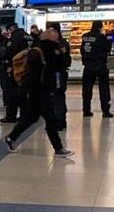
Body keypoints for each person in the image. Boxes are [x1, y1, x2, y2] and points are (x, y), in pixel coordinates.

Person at [4, 28, 73, 158]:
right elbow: (31, 77)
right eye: (56, 38)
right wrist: (22, 94)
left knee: (30, 118)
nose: (58, 41)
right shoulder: (37, 53)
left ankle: (11, 138)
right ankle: (58, 148)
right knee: (50, 120)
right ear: (49, 39)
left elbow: (62, 66)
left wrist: (61, 54)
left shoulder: (51, 52)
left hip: (43, 91)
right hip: (40, 92)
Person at [80, 20, 114, 118]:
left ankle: (86, 110)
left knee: (86, 89)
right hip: (100, 65)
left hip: (88, 66)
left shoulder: (85, 36)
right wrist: (109, 38)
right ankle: (105, 111)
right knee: (103, 88)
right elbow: (107, 49)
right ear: (100, 27)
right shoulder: (101, 37)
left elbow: (82, 49)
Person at [1, 24, 30, 123]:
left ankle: (10, 116)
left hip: (17, 69)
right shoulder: (28, 36)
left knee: (12, 93)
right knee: (25, 93)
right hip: (28, 69)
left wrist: (8, 65)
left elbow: (9, 52)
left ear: (11, 29)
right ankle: (25, 116)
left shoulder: (15, 37)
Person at [46, 25, 71, 130]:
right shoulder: (61, 43)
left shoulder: (59, 44)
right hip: (58, 73)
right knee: (57, 97)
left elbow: (64, 60)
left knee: (58, 97)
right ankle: (60, 121)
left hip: (57, 73)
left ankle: (59, 122)